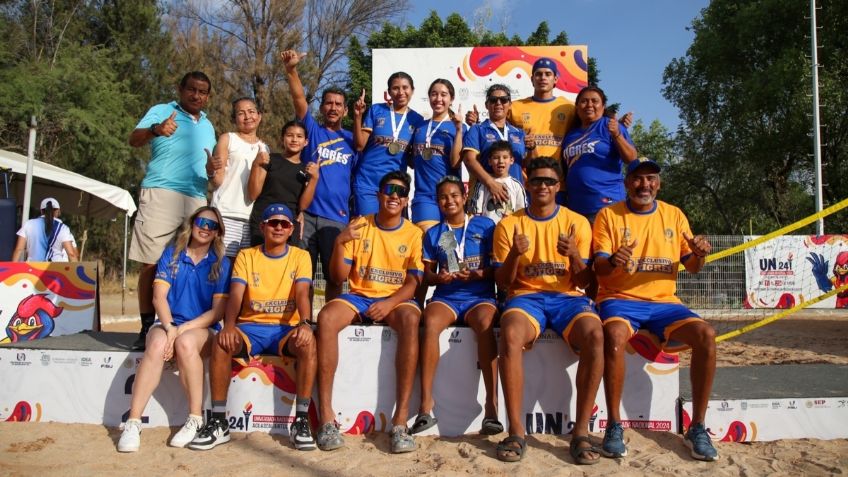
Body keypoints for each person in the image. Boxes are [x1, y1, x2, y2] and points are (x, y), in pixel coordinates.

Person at [593, 158, 718, 462]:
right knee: (613, 336)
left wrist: (700, 254)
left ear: (659, 184)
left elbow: (692, 266)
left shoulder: (674, 215)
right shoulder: (609, 215)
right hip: (619, 298)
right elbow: (599, 268)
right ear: (626, 183)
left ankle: (697, 426)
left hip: (664, 303)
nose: (644, 185)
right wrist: (613, 262)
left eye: (650, 179)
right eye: (637, 179)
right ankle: (613, 425)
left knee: (707, 336)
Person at [492, 157, 604, 464]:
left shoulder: (577, 222)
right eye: (537, 181)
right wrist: (516, 253)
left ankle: (580, 432)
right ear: (526, 184)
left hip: (568, 297)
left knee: (596, 334)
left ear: (559, 186)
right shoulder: (510, 224)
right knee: (511, 334)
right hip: (526, 297)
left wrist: (577, 257)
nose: (543, 186)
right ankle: (516, 431)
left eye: (549, 181)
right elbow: (503, 282)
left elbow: (585, 282)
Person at [188, 204, 317, 451]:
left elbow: (303, 293)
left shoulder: (301, 256)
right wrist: (229, 325)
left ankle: (300, 421)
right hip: (250, 327)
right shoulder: (247, 255)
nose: (278, 227)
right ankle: (218, 422)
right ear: (263, 227)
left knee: (309, 342)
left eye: (284, 223)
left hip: (285, 328)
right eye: (273, 222)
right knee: (221, 342)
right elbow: (236, 295)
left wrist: (305, 323)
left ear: (292, 229)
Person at [315, 171, 424, 454]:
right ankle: (326, 418)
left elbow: (413, 283)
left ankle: (399, 422)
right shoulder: (359, 225)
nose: (394, 195)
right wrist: (339, 241)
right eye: (389, 189)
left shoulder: (413, 233)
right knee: (326, 317)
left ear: (406, 200)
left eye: (400, 192)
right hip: (360, 296)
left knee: (412, 318)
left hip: (395, 299)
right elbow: (338, 278)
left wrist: (389, 304)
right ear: (378, 194)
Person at [117, 206, 230, 452]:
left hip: (202, 327)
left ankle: (195, 418)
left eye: (212, 225)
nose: (205, 228)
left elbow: (217, 312)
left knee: (186, 343)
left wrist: (180, 330)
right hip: (169, 323)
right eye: (202, 222)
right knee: (156, 344)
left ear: (217, 233)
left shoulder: (221, 263)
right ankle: (133, 422)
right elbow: (159, 298)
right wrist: (169, 327)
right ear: (192, 223)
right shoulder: (173, 253)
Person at [128, 71, 216, 350]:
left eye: (202, 92)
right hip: (161, 192)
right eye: (191, 89)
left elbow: (209, 166)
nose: (196, 95)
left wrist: (213, 171)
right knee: (151, 263)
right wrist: (156, 130)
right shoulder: (162, 111)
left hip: (196, 197)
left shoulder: (209, 126)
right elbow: (134, 139)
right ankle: (145, 328)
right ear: (180, 89)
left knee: (190, 264)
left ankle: (178, 324)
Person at [412, 175, 501, 436]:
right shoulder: (434, 233)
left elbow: (497, 270)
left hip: (480, 296)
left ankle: (491, 407)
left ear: (464, 198)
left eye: (454, 195)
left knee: (486, 323)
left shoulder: (485, 226)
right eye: (443, 197)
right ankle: (426, 406)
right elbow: (426, 276)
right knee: (431, 323)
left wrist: (478, 275)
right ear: (437, 202)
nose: (449, 201)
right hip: (447, 296)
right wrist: (438, 277)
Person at [282, 50, 356, 302]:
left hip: (337, 217)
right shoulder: (311, 130)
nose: (333, 107)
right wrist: (291, 70)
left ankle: (329, 323)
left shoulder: (353, 140)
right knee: (304, 274)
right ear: (322, 107)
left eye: (338, 104)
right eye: (329, 103)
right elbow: (299, 98)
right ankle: (305, 324)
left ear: (345, 110)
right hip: (307, 215)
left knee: (335, 277)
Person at [561, 85, 637, 223]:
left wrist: (617, 135)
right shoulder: (570, 135)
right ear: (577, 107)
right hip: (576, 209)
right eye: (584, 101)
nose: (589, 105)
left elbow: (631, 158)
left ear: (603, 106)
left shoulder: (610, 126)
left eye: (594, 101)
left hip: (607, 206)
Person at [352, 72, 424, 216]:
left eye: (405, 88)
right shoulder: (377, 110)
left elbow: (411, 161)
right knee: (368, 230)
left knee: (391, 232)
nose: (401, 92)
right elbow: (359, 145)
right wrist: (358, 116)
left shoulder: (417, 120)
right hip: (368, 182)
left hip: (394, 186)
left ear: (412, 90)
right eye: (395, 88)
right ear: (389, 91)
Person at [208, 97, 270, 257]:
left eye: (251, 111)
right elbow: (217, 180)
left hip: (250, 218)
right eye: (241, 113)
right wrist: (211, 170)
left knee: (240, 273)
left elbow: (257, 190)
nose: (247, 117)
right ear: (234, 118)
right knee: (220, 266)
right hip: (225, 213)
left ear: (259, 116)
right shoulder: (227, 139)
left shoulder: (264, 148)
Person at [247, 119, 319, 248]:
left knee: (286, 266)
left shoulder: (307, 170)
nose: (294, 140)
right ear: (282, 139)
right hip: (263, 221)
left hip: (289, 225)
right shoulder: (270, 159)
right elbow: (253, 194)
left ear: (306, 142)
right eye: (290, 135)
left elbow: (302, 206)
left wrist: (314, 179)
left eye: (299, 136)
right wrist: (255, 164)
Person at [462, 84, 532, 203]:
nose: (498, 103)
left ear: (509, 105)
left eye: (504, 100)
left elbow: (526, 164)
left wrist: (532, 150)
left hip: (515, 195)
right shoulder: (477, 129)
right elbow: (469, 160)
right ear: (487, 105)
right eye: (493, 100)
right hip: (486, 193)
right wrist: (491, 183)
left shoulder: (520, 133)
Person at [409, 79, 464, 232]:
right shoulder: (420, 126)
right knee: (429, 241)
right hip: (424, 197)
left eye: (443, 95)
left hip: (450, 197)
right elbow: (412, 161)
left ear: (451, 99)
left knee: (448, 248)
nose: (438, 99)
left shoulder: (459, 127)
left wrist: (459, 130)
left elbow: (455, 163)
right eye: (434, 94)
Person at [468, 140, 527, 223]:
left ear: (512, 160)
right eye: (496, 158)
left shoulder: (517, 185)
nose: (501, 161)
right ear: (489, 161)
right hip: (486, 231)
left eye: (505, 157)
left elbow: (522, 213)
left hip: (508, 231)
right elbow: (475, 213)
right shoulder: (482, 184)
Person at [12, 197, 78, 262]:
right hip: (55, 268)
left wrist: (12, 269)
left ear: (41, 211)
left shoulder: (29, 224)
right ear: (58, 211)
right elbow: (71, 254)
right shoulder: (63, 228)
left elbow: (19, 249)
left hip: (33, 267)